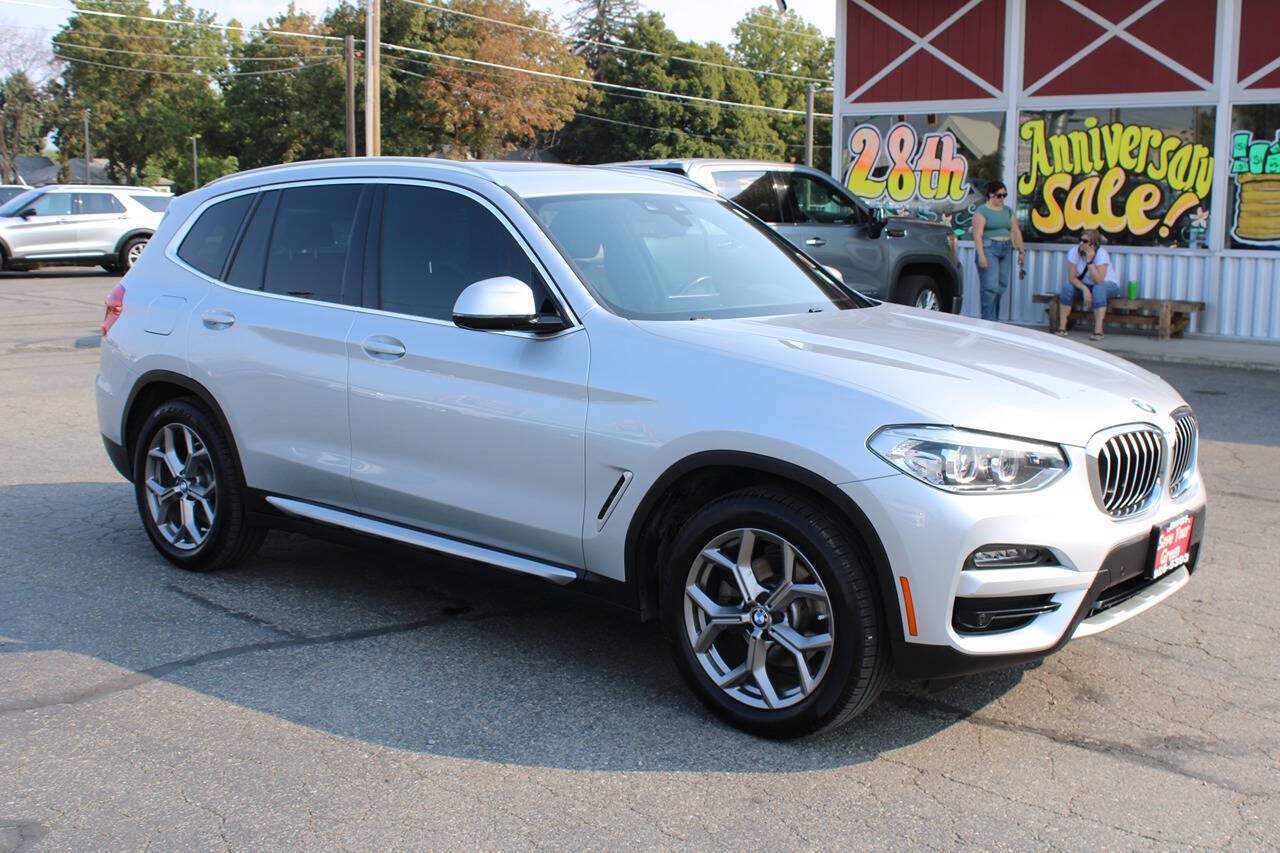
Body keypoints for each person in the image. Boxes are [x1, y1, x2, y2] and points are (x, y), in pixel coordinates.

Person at [972, 180, 1025, 321]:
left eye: (1004, 195)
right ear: (990, 195)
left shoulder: (1008, 211)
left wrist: (1021, 252)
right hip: (989, 248)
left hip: (1006, 248)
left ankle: (993, 319)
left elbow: (1016, 231)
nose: (1002, 198)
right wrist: (981, 255)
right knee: (990, 287)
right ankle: (988, 320)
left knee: (1001, 286)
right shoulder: (982, 211)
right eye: (999, 195)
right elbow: (978, 235)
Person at [1056, 229, 1120, 340]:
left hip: (1108, 285)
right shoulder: (1073, 252)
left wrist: (1089, 262)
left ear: (1093, 244)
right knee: (1067, 288)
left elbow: (1099, 281)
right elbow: (1071, 278)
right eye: (1080, 240)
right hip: (1086, 285)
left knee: (1098, 289)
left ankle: (1098, 331)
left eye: (1085, 241)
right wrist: (1085, 289)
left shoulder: (1101, 253)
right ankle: (1062, 328)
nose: (1081, 243)